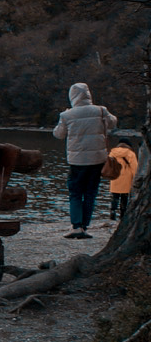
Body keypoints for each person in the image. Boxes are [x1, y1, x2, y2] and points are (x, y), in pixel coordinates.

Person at [53, 83, 117, 239]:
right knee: (90, 193)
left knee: (75, 193)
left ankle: (76, 226)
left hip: (77, 161)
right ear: (88, 95)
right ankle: (85, 226)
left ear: (72, 96)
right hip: (97, 160)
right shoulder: (101, 110)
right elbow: (113, 123)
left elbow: (58, 134)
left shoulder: (67, 115)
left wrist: (66, 117)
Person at [104, 135, 138, 223]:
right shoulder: (130, 153)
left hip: (115, 177)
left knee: (115, 196)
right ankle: (122, 214)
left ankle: (112, 212)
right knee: (124, 197)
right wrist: (136, 180)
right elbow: (135, 168)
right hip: (126, 179)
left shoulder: (112, 152)